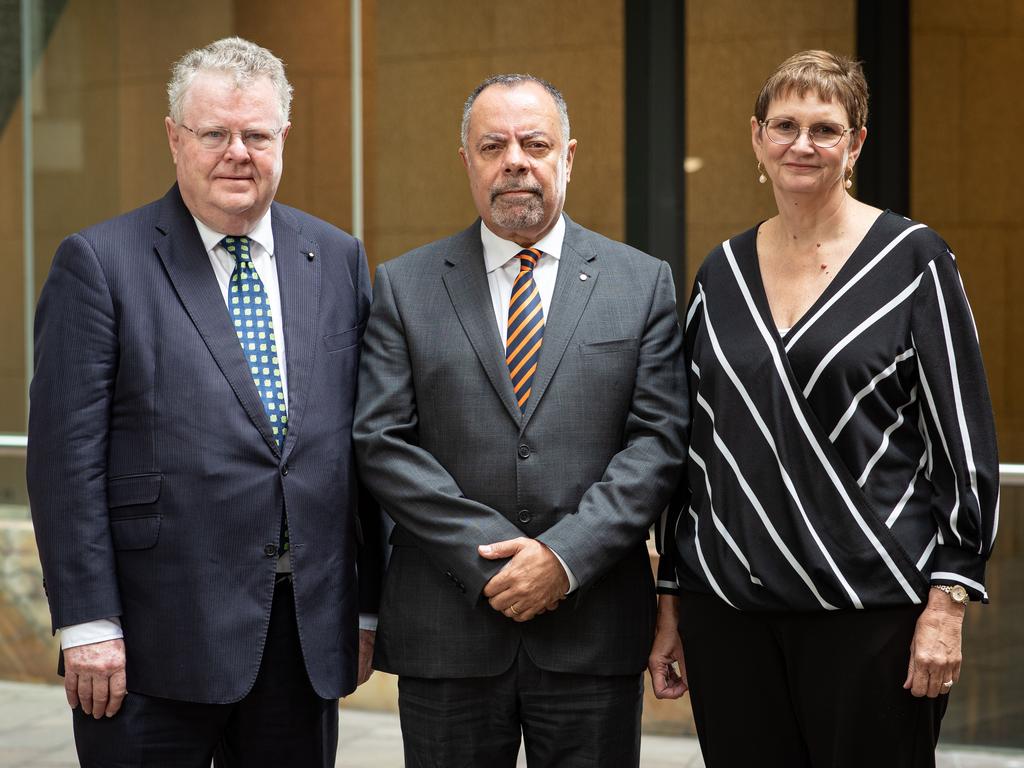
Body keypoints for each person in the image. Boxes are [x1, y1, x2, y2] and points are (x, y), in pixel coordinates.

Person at [26, 37, 381, 767]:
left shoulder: (337, 257)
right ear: (174, 138)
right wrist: (88, 623)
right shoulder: (99, 263)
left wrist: (366, 607)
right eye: (214, 133)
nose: (236, 153)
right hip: (152, 642)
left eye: (255, 134)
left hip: (302, 638)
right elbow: (66, 463)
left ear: (283, 137)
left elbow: (366, 445)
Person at [649, 50, 999, 767]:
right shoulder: (721, 272)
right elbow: (692, 447)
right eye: (784, 125)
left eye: (825, 128)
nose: (801, 144)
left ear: (856, 144)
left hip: (870, 616)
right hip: (730, 611)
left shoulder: (914, 261)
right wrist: (671, 600)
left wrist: (948, 603)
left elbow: (963, 441)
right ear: (756, 138)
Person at [353, 73, 688, 766]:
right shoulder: (404, 285)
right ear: (466, 161)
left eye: (535, 143)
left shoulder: (642, 282)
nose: (515, 160)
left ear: (568, 157)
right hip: (448, 629)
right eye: (493, 145)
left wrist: (563, 560)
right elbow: (382, 442)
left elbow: (656, 443)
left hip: (590, 628)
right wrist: (497, 562)